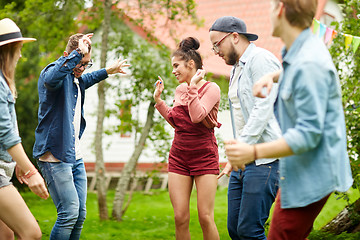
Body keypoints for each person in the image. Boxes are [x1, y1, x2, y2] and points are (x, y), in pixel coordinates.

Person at [224, 0, 353, 239]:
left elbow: (308, 134)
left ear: (281, 10)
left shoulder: (309, 62)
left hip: (314, 170)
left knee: (280, 234)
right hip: (300, 166)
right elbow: (297, 69)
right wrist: (273, 76)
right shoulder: (301, 49)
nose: (269, 15)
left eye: (271, 8)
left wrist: (252, 152)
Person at [32, 33, 129, 240]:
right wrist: (78, 54)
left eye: (86, 63)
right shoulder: (53, 73)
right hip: (54, 156)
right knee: (68, 213)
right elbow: (51, 80)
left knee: (79, 215)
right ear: (68, 55)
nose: (82, 67)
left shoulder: (76, 80)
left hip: (73, 155)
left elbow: (87, 78)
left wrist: (108, 71)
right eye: (79, 61)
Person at [209, 16, 282, 239]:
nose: (215, 52)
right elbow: (242, 116)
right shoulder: (236, 70)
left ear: (234, 37)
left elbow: (262, 109)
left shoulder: (260, 60)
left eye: (217, 44)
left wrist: (242, 147)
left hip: (264, 159)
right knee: (235, 230)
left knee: (250, 231)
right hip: (243, 161)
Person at [154, 37, 221, 240]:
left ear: (191, 64)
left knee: (205, 217)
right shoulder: (180, 89)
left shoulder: (211, 88)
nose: (173, 70)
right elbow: (178, 122)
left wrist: (192, 87)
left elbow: (197, 116)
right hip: (179, 157)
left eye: (176, 66)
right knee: (180, 217)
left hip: (204, 156)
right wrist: (158, 101)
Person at [0, 18, 49, 240]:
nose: (20, 56)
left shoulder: (4, 82)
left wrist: (17, 162)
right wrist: (30, 171)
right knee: (30, 232)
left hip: (4, 167)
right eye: (19, 50)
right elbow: (7, 135)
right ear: (8, 51)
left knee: (7, 236)